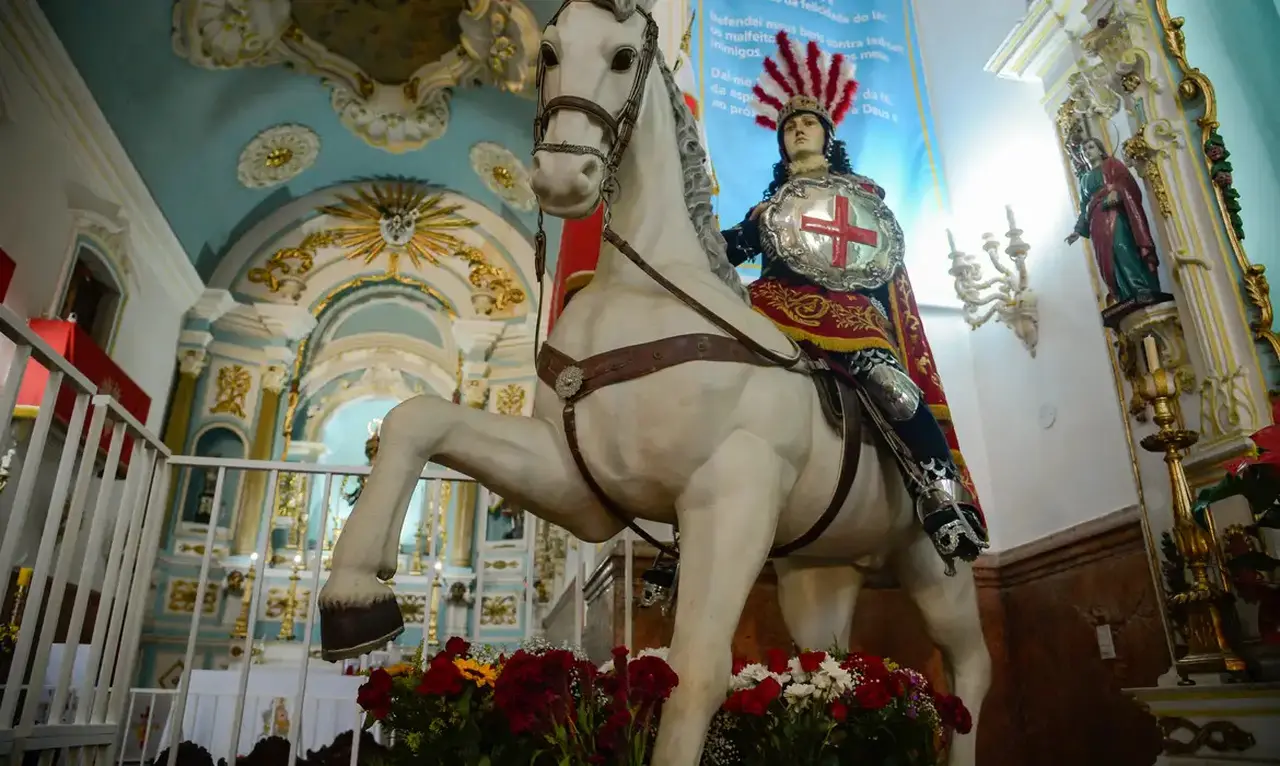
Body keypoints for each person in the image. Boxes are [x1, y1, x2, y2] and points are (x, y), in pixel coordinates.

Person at [720, 32, 988, 572]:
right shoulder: (767, 209)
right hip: (773, 302)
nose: (797, 129)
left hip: (847, 308)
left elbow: (877, 256)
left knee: (890, 384)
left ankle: (942, 495)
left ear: (827, 133)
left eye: (807, 123)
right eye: (789, 127)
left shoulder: (859, 195)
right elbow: (728, 248)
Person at [1065, 137, 1162, 306]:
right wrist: (1077, 230)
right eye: (1084, 151)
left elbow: (1127, 182)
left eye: (1090, 147)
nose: (1087, 152)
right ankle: (1123, 295)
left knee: (1121, 247)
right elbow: (1084, 207)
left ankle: (1140, 288)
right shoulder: (1085, 179)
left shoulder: (1112, 164)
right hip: (1096, 220)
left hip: (1114, 213)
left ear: (1100, 149)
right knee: (1107, 259)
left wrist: (1116, 190)